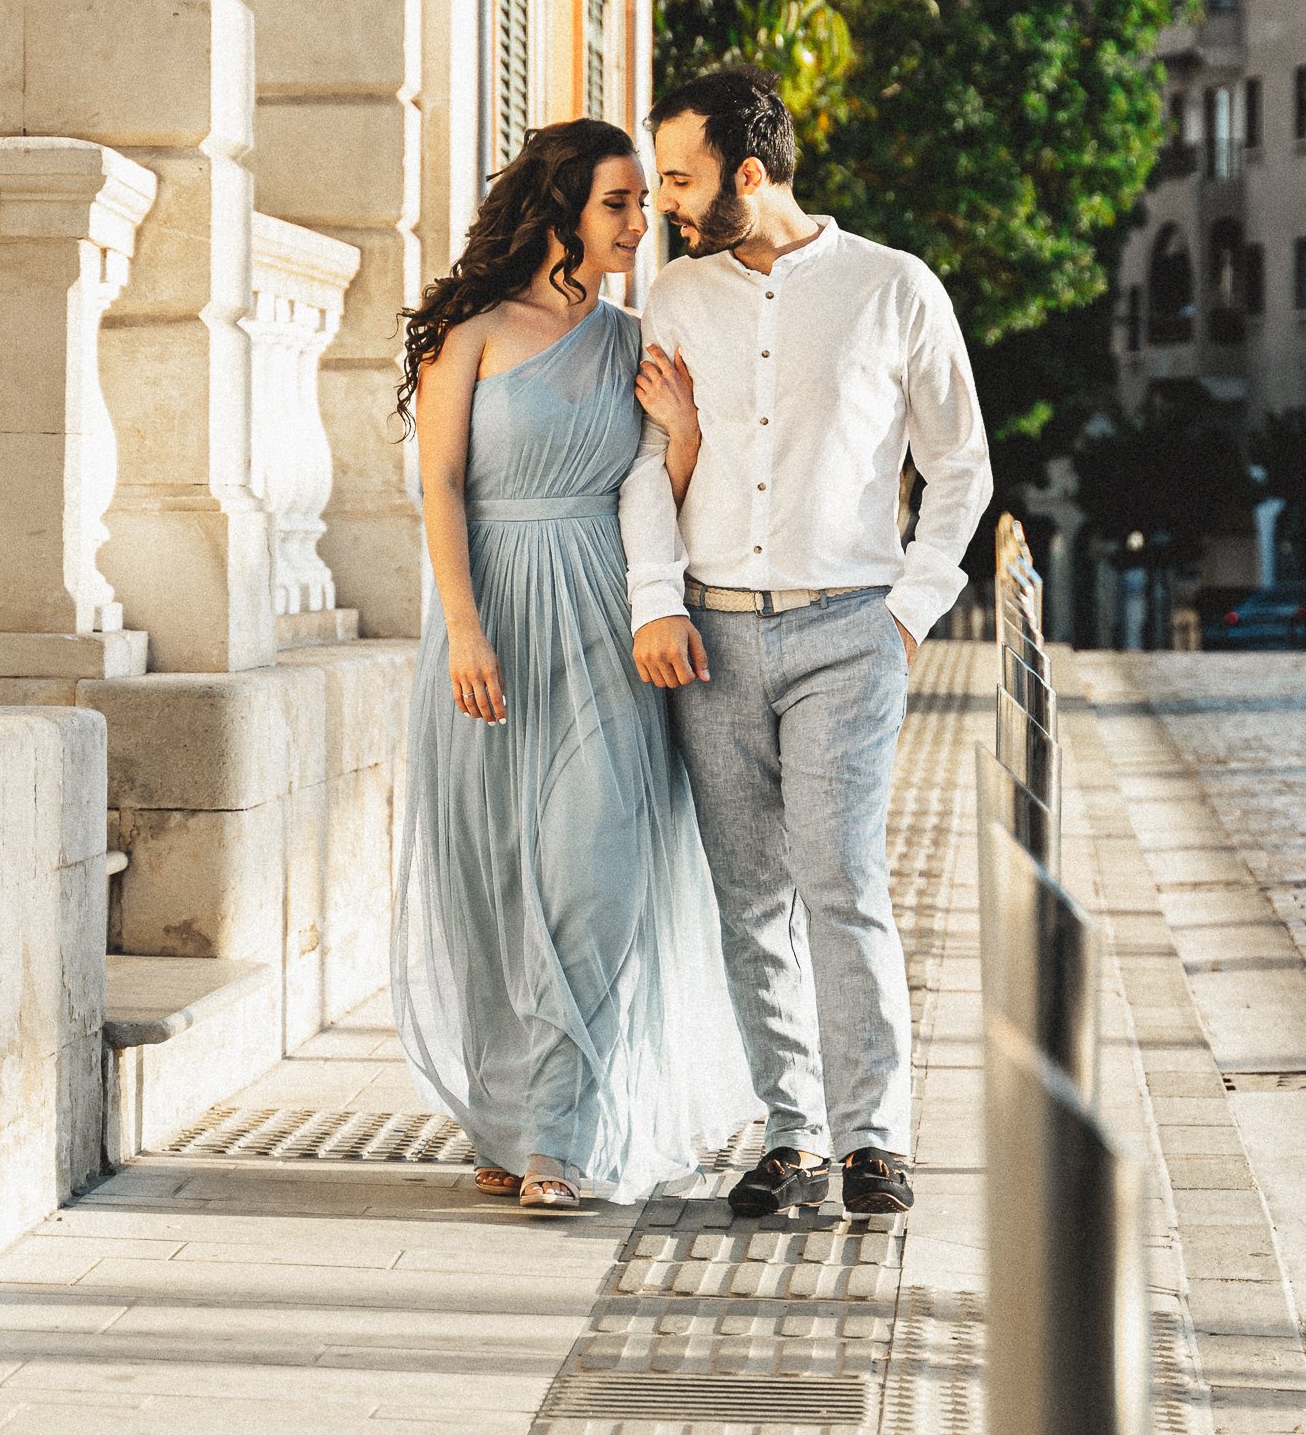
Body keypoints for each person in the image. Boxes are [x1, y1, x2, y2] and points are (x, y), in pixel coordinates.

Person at [620, 69, 991, 1219]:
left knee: (840, 878)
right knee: (748, 896)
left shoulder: (893, 287)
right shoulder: (672, 298)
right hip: (711, 637)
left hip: (847, 632)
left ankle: (873, 1135)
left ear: (746, 172)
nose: (666, 204)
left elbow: (959, 466)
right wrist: (653, 599)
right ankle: (789, 1134)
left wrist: (905, 608)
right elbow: (646, 464)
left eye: (679, 180)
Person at [391, 119, 751, 1210]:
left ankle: (557, 1133)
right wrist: (462, 627)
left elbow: (656, 486)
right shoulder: (470, 328)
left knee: (592, 874)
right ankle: (511, 1118)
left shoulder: (633, 338)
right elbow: (441, 486)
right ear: (558, 207)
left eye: (644, 203)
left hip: (600, 616)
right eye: (617, 204)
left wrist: (681, 432)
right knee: (498, 880)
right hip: (490, 612)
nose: (640, 224)